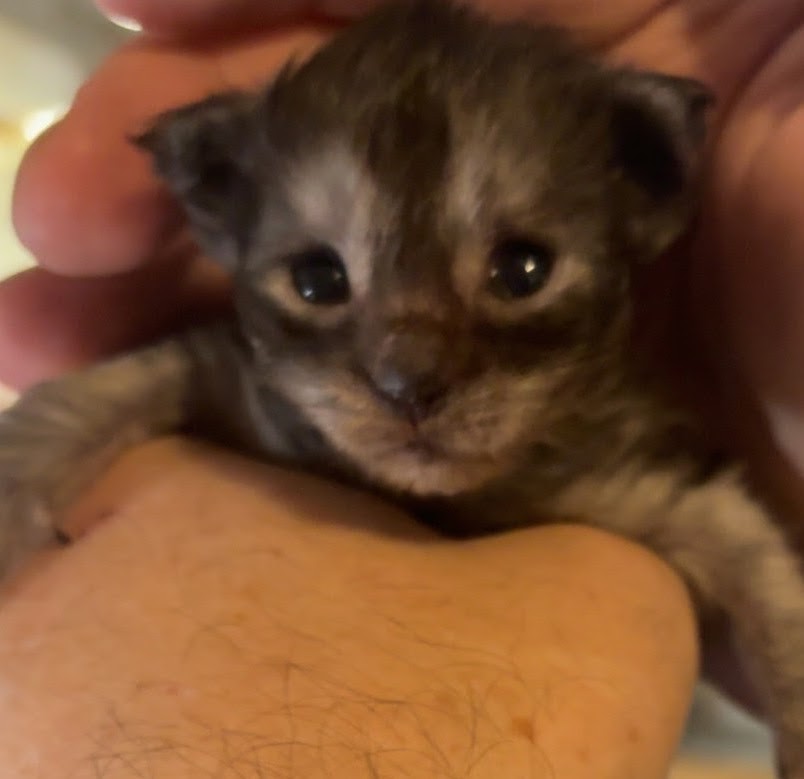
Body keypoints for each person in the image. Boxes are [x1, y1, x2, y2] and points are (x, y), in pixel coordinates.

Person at [0, 0, 801, 775]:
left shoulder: (619, 450)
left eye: (517, 270)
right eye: (320, 279)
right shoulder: (228, 377)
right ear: (219, 205)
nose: (407, 375)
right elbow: (108, 398)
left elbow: (736, 546)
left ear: (649, 181)